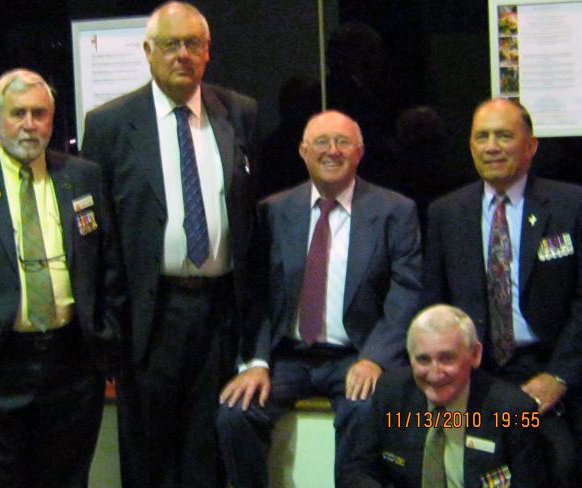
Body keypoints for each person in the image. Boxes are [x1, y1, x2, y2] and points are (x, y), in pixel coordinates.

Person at [80, 2, 259, 487]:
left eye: (193, 44)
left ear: (207, 52)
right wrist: (106, 331)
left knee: (207, 452)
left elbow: (250, 223)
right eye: (171, 44)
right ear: (148, 51)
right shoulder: (109, 124)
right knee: (148, 455)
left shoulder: (239, 113)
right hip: (148, 317)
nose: (183, 54)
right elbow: (100, 237)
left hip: (218, 312)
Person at [0, 69, 121, 487]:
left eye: (40, 113)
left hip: (71, 368)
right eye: (18, 114)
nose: (30, 124)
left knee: (67, 479)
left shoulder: (84, 177)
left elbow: (108, 266)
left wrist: (104, 341)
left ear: (52, 119)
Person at [217, 110, 422, 488]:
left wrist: (375, 359)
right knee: (235, 411)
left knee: (365, 410)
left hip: (354, 355)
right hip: (286, 357)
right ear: (303, 151)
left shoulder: (395, 211)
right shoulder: (273, 212)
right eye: (321, 142)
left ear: (359, 152)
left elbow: (406, 293)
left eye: (343, 142)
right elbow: (256, 296)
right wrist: (256, 361)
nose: (332, 151)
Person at [422, 98, 582, 485]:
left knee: (558, 461)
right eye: (482, 137)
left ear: (531, 145)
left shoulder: (570, 205)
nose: (492, 146)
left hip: (547, 368)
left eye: (504, 136)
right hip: (476, 373)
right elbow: (435, 304)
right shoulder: (446, 212)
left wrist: (558, 376)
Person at [340, 304, 545, 487]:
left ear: (475, 355)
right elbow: (356, 469)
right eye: (423, 359)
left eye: (447, 358)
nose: (435, 373)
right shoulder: (390, 393)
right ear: (410, 359)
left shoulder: (516, 410)